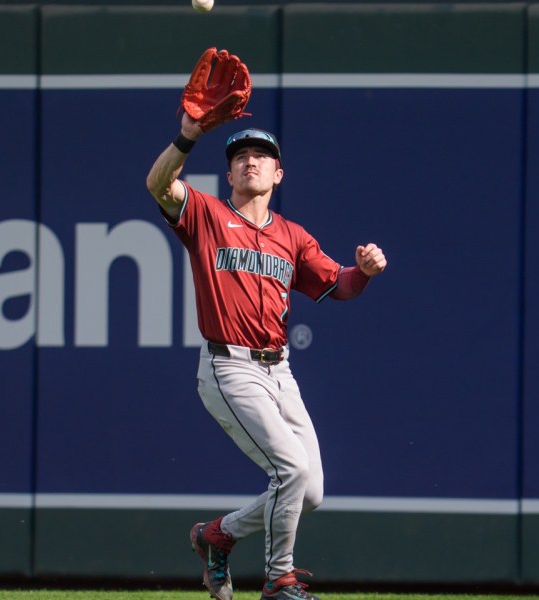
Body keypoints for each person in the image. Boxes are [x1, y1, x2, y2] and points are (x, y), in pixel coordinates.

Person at [146, 113, 387, 600]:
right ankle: (280, 580)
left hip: (279, 370)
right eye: (239, 157)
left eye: (260, 156)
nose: (249, 161)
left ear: (278, 174)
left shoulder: (292, 237)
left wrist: (362, 272)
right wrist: (189, 134)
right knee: (291, 473)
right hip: (228, 365)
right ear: (230, 175)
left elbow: (336, 285)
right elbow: (158, 184)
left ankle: (218, 535)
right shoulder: (207, 215)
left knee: (310, 492)